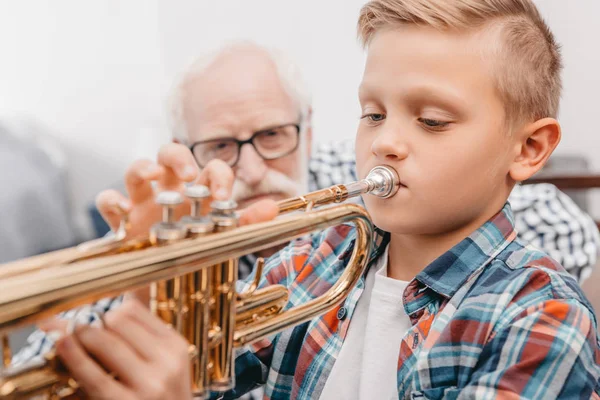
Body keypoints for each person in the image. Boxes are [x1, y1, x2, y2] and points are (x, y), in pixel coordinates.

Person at [29, 0, 600, 398]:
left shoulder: (543, 317)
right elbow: (199, 381)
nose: (385, 141)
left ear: (528, 148)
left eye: (431, 120)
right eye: (371, 113)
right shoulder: (313, 261)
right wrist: (150, 287)